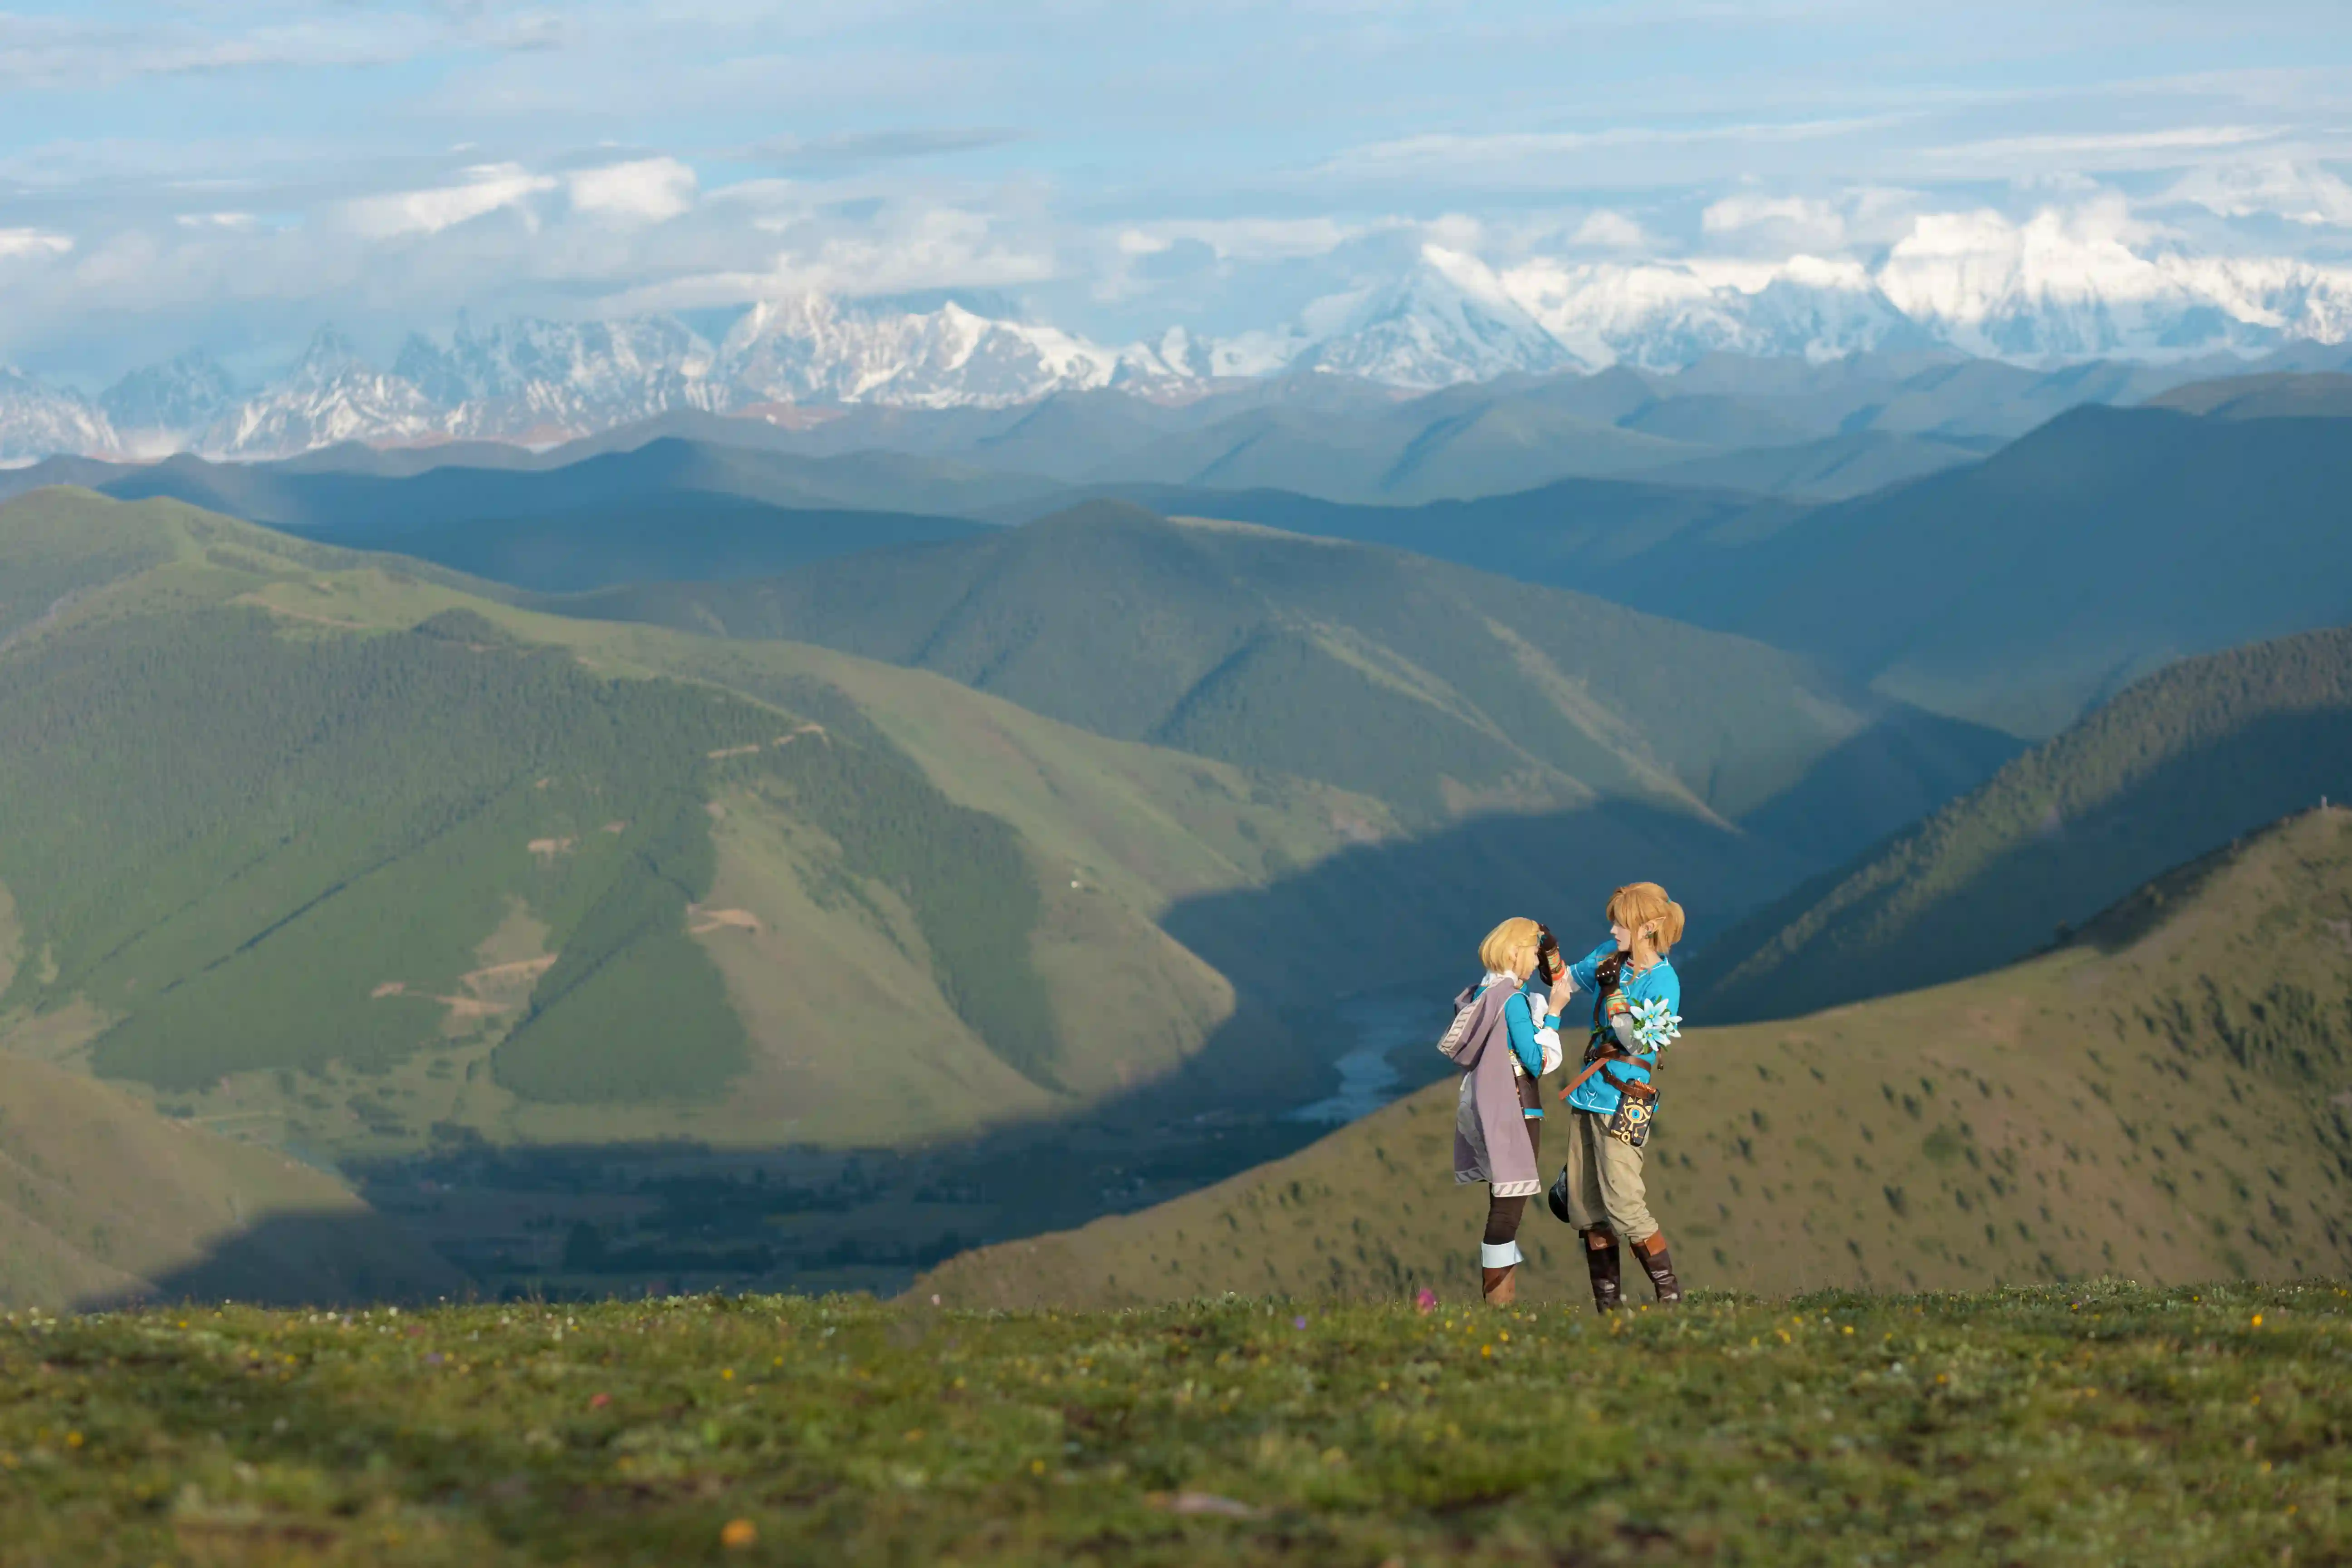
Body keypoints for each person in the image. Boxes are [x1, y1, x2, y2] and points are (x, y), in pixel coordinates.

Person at [1546, 882, 1687, 1312]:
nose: (1612, 927)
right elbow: (1565, 979)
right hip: (1588, 1096)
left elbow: (1639, 1042)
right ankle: (1608, 1310)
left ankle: (1670, 1297)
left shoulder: (1664, 980)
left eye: (1620, 920)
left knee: (1625, 1204)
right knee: (1587, 1210)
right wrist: (1549, 954)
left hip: (1623, 1099)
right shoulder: (1610, 957)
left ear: (1648, 927)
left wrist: (1612, 994)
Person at [1442, 917, 1572, 1306]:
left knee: (1501, 1206)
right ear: (1515, 951)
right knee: (1507, 1211)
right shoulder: (1513, 1000)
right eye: (1533, 951)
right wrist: (1554, 1014)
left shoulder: (1482, 994)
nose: (1536, 961)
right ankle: (1501, 1303)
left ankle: (1500, 1300)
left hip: (1486, 1109)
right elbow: (1535, 1061)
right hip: (1517, 1111)